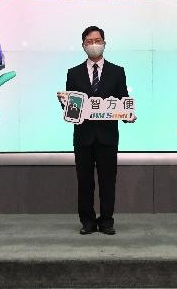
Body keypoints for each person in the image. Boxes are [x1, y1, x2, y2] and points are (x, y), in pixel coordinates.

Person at [57, 26, 132, 235]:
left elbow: (122, 101)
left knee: (108, 181)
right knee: (85, 181)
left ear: (105, 43)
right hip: (83, 137)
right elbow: (72, 108)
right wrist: (64, 103)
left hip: (108, 136)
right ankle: (87, 221)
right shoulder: (73, 73)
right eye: (89, 41)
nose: (94, 45)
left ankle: (107, 221)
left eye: (97, 40)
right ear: (83, 46)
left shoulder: (118, 71)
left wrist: (127, 116)